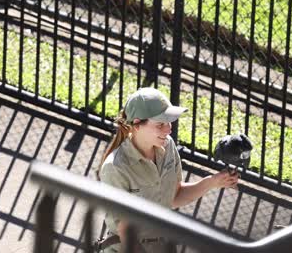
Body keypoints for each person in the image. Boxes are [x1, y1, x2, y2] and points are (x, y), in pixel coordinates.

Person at [98, 87, 239, 253]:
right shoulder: (115, 167)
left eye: (168, 122)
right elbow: (126, 233)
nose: (168, 129)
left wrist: (212, 182)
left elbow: (174, 197)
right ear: (136, 124)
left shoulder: (167, 145)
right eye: (160, 124)